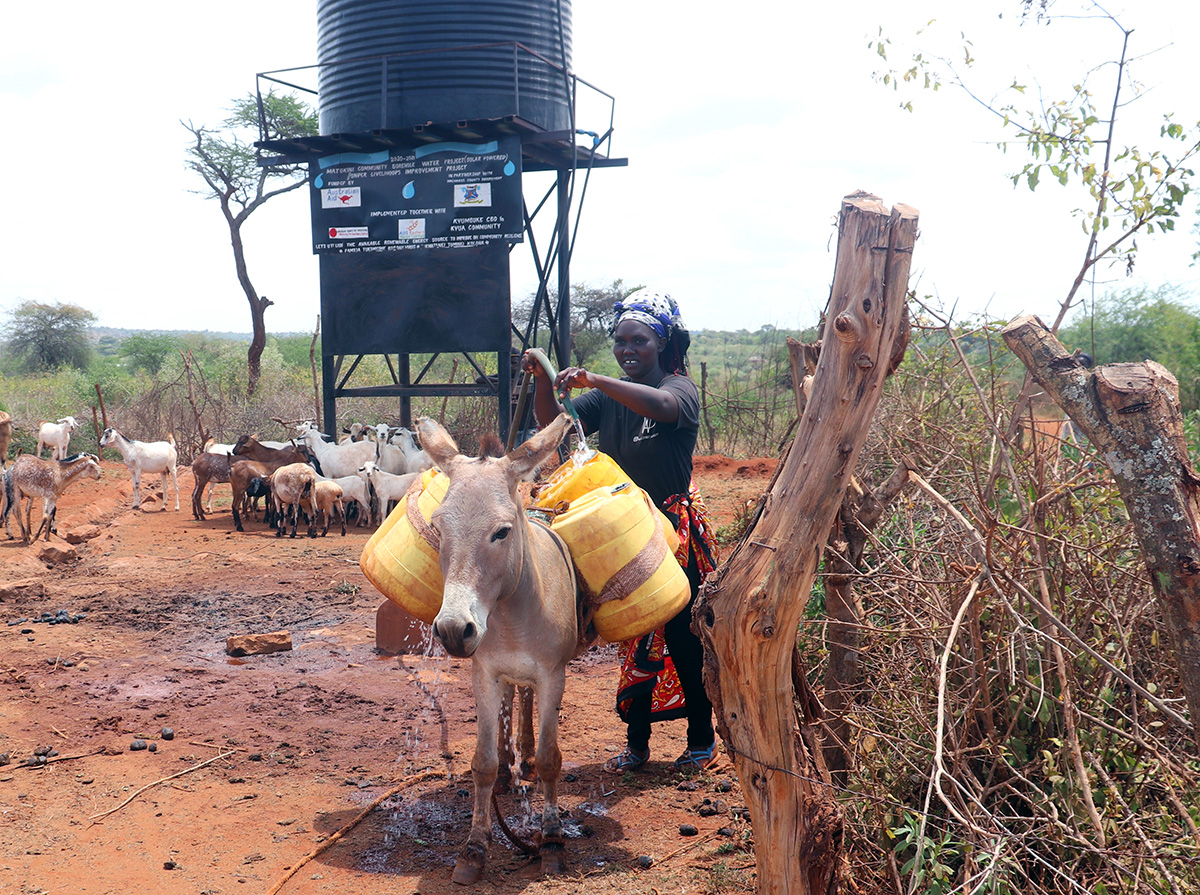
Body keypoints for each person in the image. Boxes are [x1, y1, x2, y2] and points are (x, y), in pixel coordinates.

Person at [523, 289, 720, 773]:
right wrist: (543, 382)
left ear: (663, 343)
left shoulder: (678, 390)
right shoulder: (606, 399)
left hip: (672, 535)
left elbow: (662, 407)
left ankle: (701, 739)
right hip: (619, 533)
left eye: (639, 341)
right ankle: (637, 745)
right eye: (621, 342)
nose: (628, 350)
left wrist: (599, 379)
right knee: (632, 633)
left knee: (681, 637)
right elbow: (556, 422)